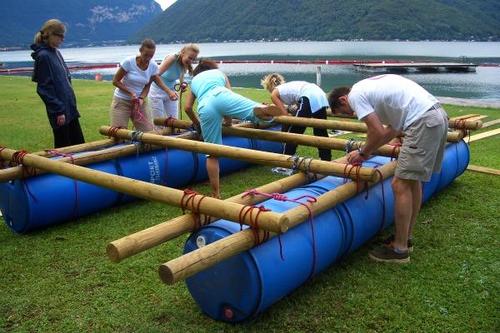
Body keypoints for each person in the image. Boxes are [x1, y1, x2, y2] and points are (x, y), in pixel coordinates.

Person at [328, 74, 448, 263]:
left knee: (399, 185)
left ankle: (399, 250)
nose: (351, 115)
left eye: (344, 112)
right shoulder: (369, 89)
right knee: (411, 182)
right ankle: (405, 239)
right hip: (435, 116)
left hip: (423, 121)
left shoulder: (356, 95)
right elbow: (390, 131)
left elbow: (376, 131)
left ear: (343, 99)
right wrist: (368, 151)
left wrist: (362, 153)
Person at [184, 60, 283, 198]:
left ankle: (216, 193)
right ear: (212, 68)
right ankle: (261, 112)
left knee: (212, 154)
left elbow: (187, 108)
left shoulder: (194, 81)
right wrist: (229, 122)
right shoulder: (219, 73)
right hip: (222, 95)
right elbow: (229, 96)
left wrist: (197, 123)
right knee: (250, 109)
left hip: (205, 105)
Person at [31, 19, 85, 148]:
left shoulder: (56, 52)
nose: (62, 39)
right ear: (50, 34)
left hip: (69, 108)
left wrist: (70, 105)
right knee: (64, 146)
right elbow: (44, 88)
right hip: (60, 111)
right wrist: (58, 110)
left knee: (78, 144)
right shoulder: (43, 56)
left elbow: (66, 81)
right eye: (60, 36)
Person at [261, 73, 332, 161]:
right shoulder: (287, 87)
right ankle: (326, 159)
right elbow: (297, 108)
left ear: (269, 87)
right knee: (320, 131)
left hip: (309, 96)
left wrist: (283, 134)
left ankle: (286, 161)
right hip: (320, 94)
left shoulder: (274, 94)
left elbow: (285, 117)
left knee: (294, 132)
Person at [111, 39, 171, 132]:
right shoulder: (129, 62)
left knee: (147, 133)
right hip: (121, 101)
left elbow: (148, 85)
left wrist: (141, 98)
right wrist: (131, 93)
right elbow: (115, 81)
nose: (148, 58)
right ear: (140, 51)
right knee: (119, 133)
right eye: (145, 55)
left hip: (139, 103)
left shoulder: (153, 66)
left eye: (151, 56)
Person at [149, 44, 199, 123]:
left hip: (172, 91)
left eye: (193, 59)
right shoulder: (172, 58)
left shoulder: (185, 62)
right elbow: (155, 76)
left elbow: (180, 74)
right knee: (159, 121)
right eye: (190, 58)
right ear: (182, 53)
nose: (191, 61)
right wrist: (169, 92)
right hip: (157, 91)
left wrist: (182, 84)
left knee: (174, 120)